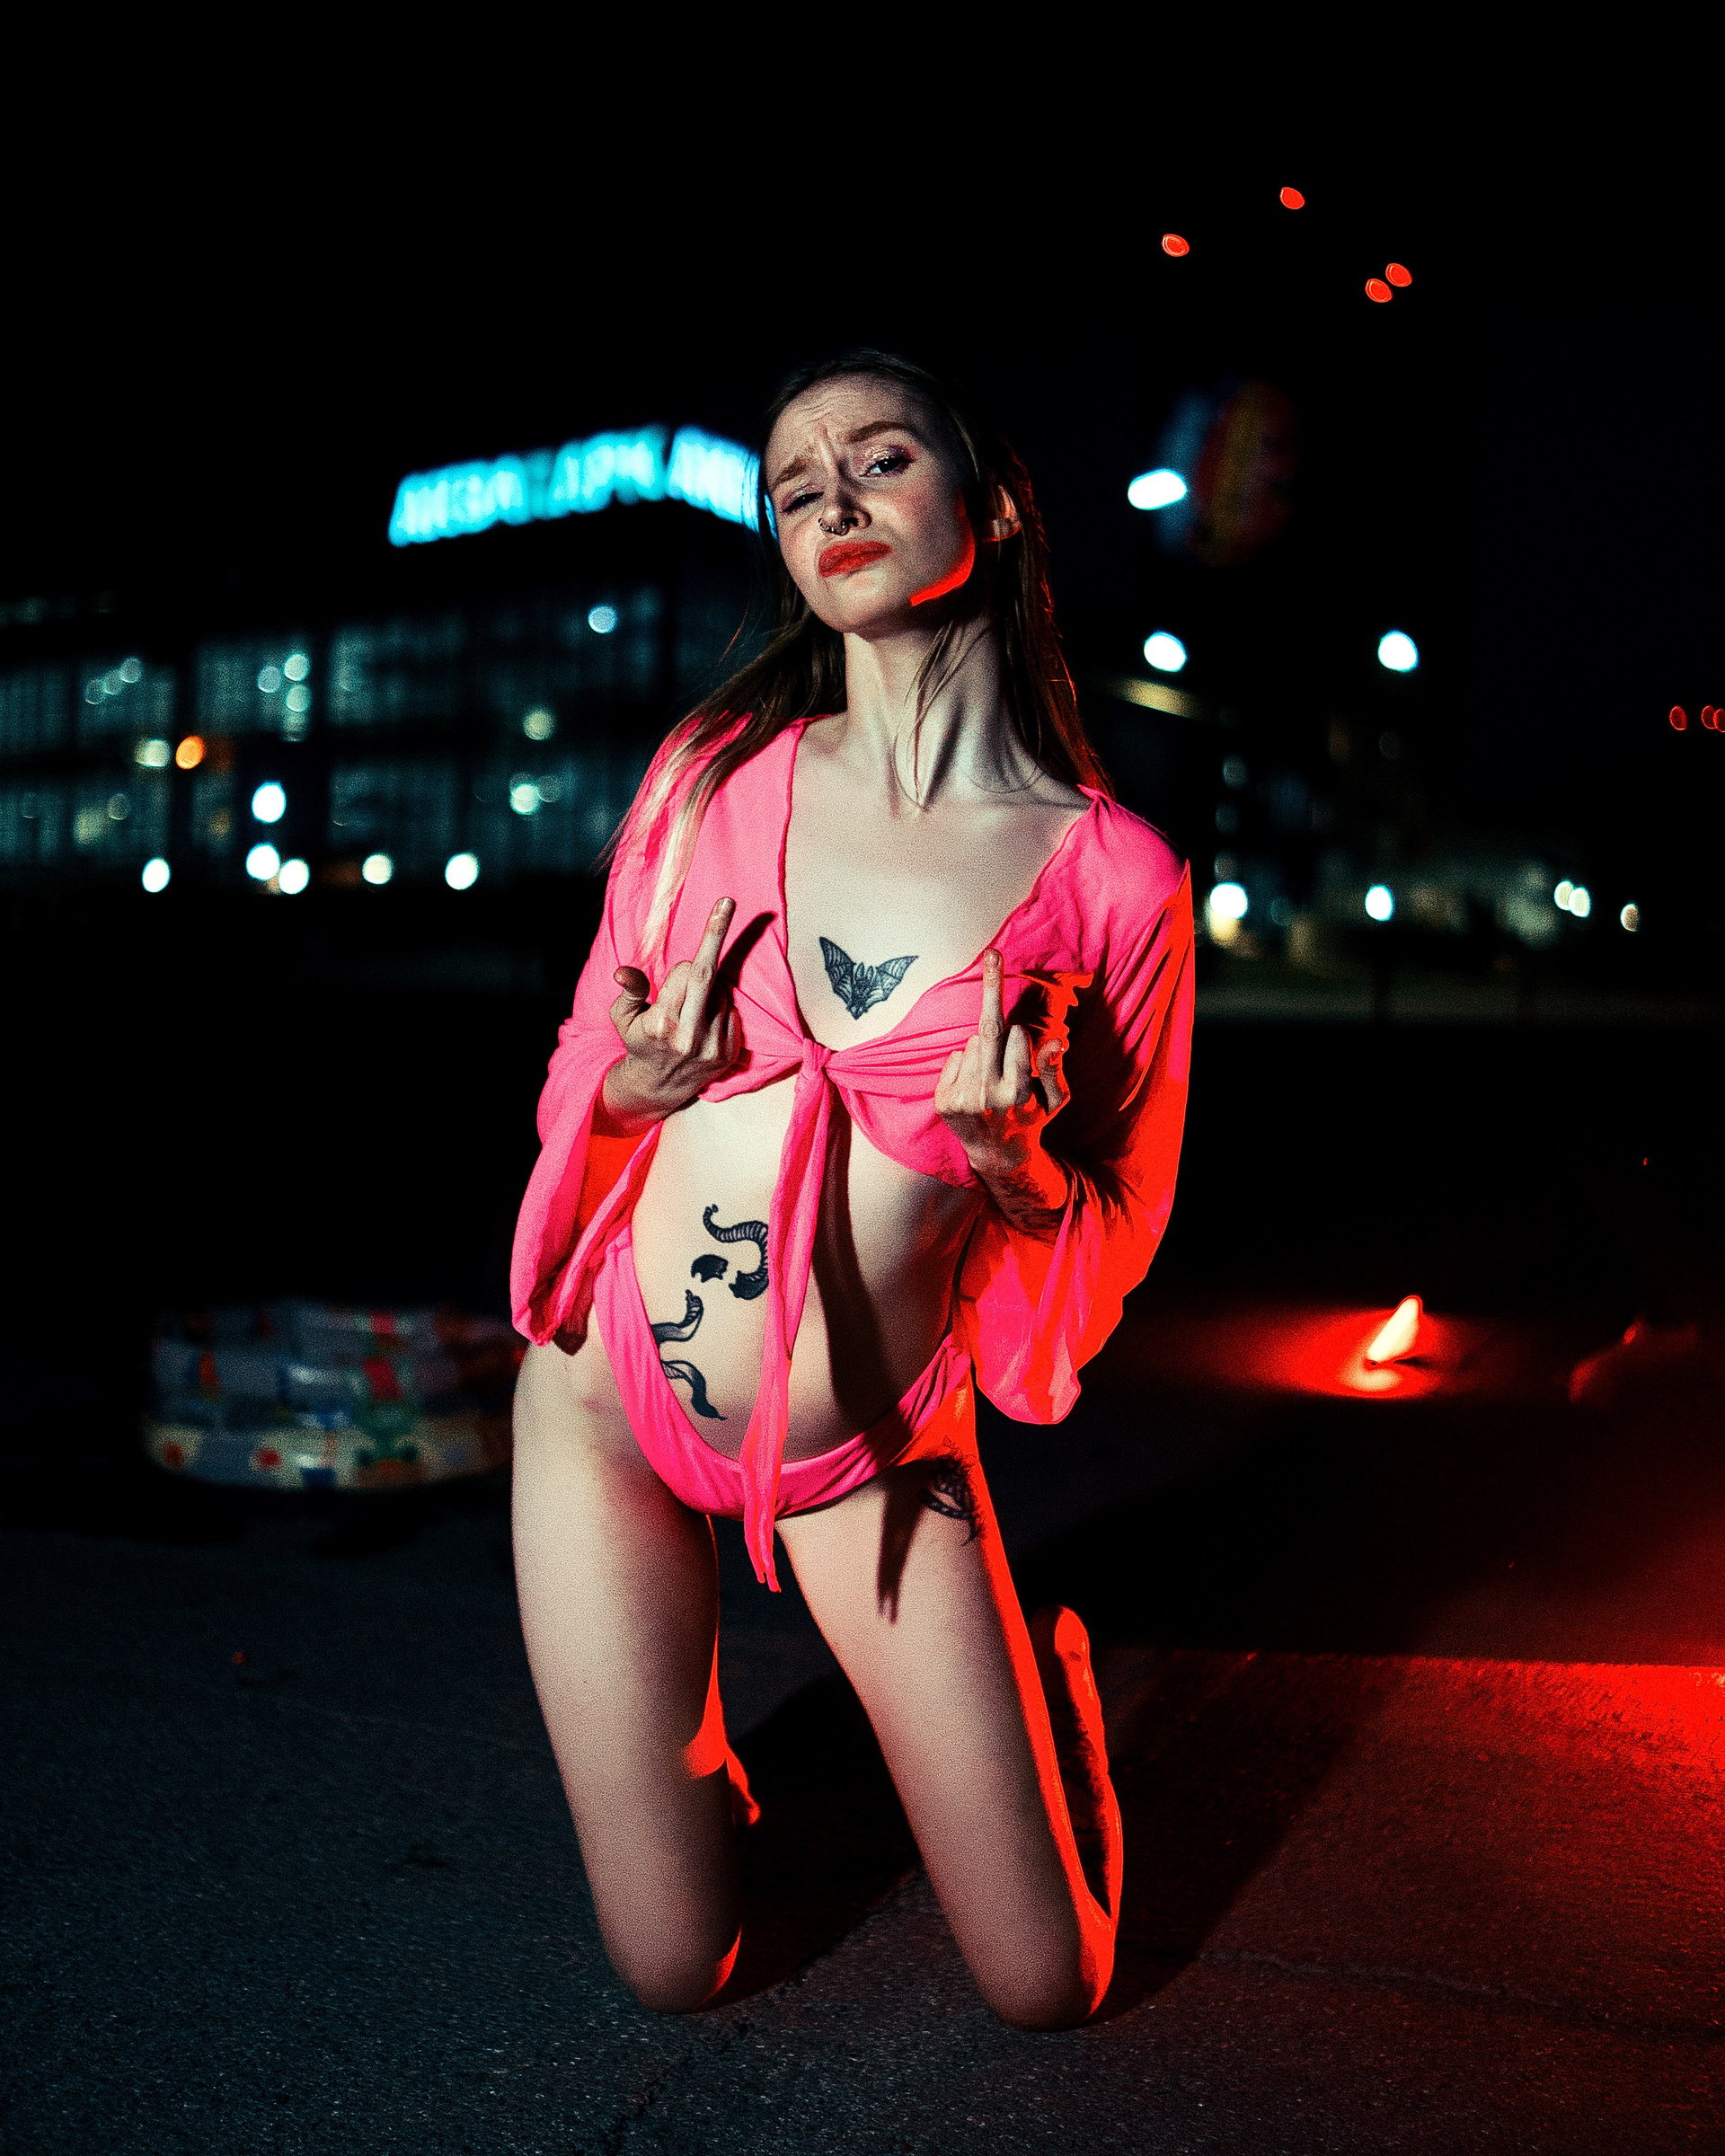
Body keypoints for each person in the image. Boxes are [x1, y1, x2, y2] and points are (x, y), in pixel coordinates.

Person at [509, 349, 1193, 2028]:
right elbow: (584, 1052)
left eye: (879, 458)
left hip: (865, 1456)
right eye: (794, 485)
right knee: (673, 1970)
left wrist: (1016, 1166)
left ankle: (1048, 1705)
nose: (831, 499)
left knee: (1048, 1984)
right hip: (607, 1404)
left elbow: (1119, 1228)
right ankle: (704, 1800)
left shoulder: (1115, 879)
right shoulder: (709, 773)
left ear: (994, 500)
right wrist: (632, 1084)